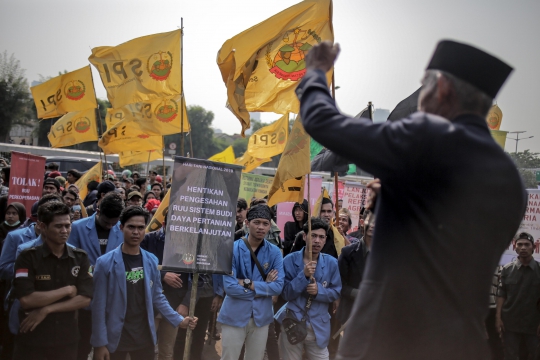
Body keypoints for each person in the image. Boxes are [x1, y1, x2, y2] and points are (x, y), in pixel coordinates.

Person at [298, 40, 526, 359]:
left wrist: (315, 73)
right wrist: (393, 198)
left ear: (443, 88)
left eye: (424, 86)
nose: (419, 100)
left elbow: (324, 122)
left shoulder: (427, 135)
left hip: (388, 340)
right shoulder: (510, 178)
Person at [91, 206, 197, 360]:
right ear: (121, 228)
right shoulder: (104, 263)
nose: (136, 232)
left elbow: (157, 297)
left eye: (141, 228)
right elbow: (98, 307)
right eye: (131, 227)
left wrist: (178, 320)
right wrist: (100, 344)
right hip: (116, 337)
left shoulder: (151, 260)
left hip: (144, 336)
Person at [12, 201, 93, 359]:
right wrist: (67, 290)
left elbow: (84, 299)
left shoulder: (80, 257)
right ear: (42, 226)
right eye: (58, 226)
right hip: (32, 340)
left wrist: (46, 309)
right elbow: (27, 299)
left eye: (68, 225)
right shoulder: (27, 257)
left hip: (67, 340)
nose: (64, 231)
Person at [218, 204, 284, 360]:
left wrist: (246, 283)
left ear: (270, 226)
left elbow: (278, 286)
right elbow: (230, 287)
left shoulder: (274, 252)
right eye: (257, 222)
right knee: (229, 357)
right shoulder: (231, 249)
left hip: (261, 317)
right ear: (247, 223)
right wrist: (263, 289)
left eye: (265, 223)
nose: (261, 227)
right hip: (234, 314)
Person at [68, 192, 125, 360]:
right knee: (81, 346)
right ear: (98, 211)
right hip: (84, 298)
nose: (110, 226)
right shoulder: (77, 227)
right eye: (107, 222)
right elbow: (70, 260)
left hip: (112, 300)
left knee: (109, 349)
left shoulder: (121, 228)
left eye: (114, 223)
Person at [275, 217, 341, 360]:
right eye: (313, 236)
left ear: (325, 240)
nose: (317, 241)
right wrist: (303, 276)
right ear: (304, 236)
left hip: (318, 327)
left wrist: (319, 291)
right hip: (293, 323)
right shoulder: (289, 260)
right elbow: (285, 294)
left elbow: (336, 292)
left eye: (321, 237)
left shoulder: (332, 263)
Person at [496, 232, 540, 359]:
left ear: (534, 248)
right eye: (520, 244)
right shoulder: (507, 270)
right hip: (510, 323)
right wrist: (498, 318)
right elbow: (501, 293)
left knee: (536, 355)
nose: (523, 248)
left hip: (533, 324)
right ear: (515, 247)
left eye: (527, 244)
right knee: (510, 356)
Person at [335, 213, 374, 326]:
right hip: (351, 316)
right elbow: (339, 284)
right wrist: (358, 293)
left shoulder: (387, 256)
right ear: (362, 222)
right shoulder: (348, 253)